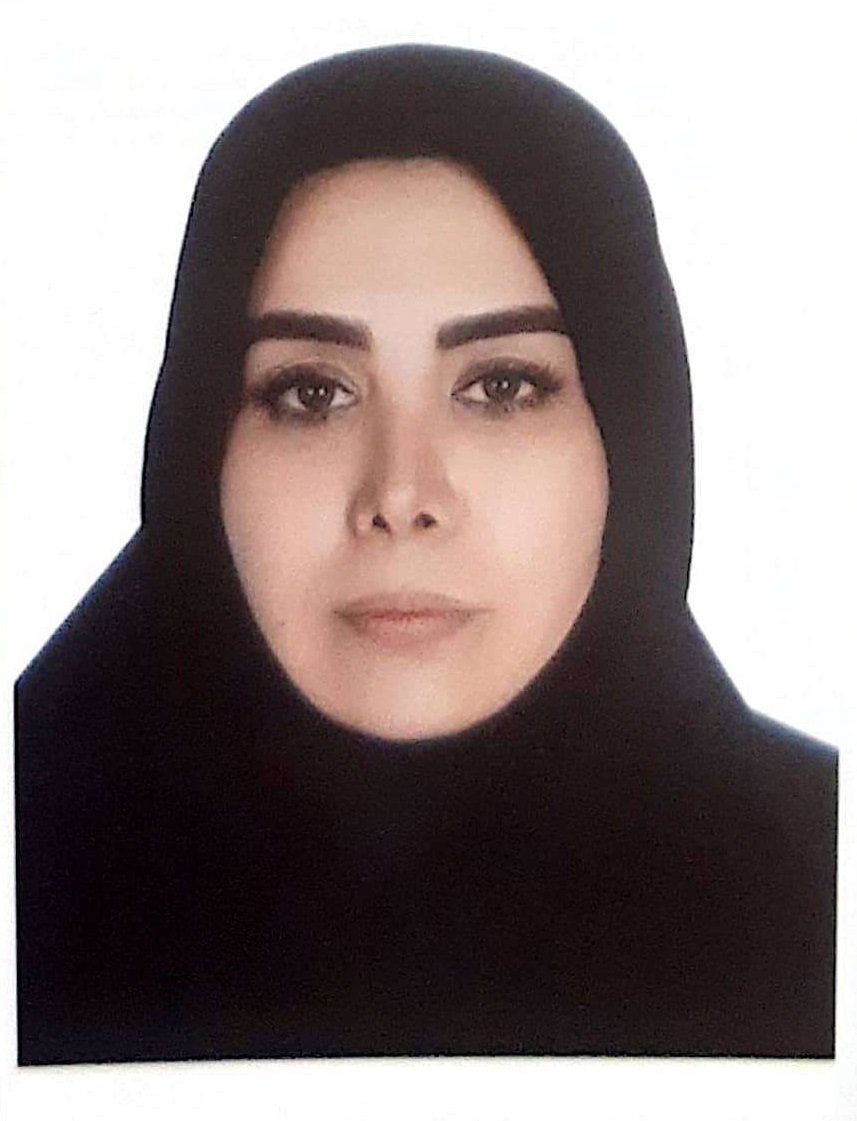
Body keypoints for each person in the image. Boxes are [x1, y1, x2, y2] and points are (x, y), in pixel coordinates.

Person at [15, 44, 836, 1064]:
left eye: (500, 387)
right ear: (196, 446)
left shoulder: (825, 884)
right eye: (310, 392)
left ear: (633, 439)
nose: (400, 496)